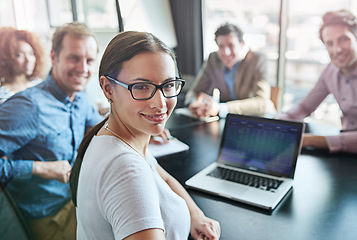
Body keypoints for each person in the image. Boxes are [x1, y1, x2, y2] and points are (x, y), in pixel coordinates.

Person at [70, 31, 221, 240]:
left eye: (168, 85)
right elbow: (136, 175)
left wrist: (195, 214)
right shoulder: (126, 169)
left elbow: (163, 177)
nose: (160, 103)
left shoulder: (116, 136)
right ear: (108, 88)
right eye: (141, 87)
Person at [0, 22, 102, 239]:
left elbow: (102, 129)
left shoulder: (80, 99)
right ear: (54, 57)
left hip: (76, 201)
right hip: (46, 218)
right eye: (74, 58)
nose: (83, 69)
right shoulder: (27, 106)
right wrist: (38, 168)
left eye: (89, 60)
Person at [280, 9, 357, 154]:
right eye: (330, 43)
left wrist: (310, 140)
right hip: (345, 152)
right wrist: (279, 122)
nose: (337, 49)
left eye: (343, 39)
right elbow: (305, 107)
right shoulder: (330, 71)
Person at [185, 23, 275, 118]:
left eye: (231, 45)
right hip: (227, 120)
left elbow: (262, 102)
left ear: (242, 44)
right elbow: (195, 91)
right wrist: (194, 104)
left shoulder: (258, 59)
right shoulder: (213, 59)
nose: (226, 52)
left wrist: (220, 108)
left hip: (258, 119)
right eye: (221, 46)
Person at [0, 27, 45, 104]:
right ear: (5, 58)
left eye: (31, 54)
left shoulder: (40, 84)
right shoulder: (3, 95)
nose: (28, 60)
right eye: (19, 55)